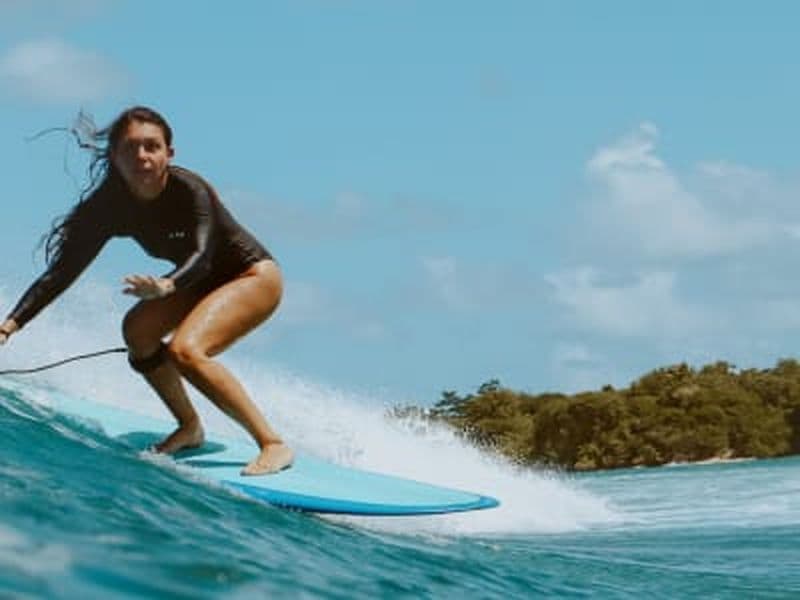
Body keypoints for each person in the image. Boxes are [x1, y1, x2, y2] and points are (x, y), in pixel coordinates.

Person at [0, 106, 294, 476]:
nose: (141, 156)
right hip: (193, 282)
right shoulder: (107, 208)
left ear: (169, 154)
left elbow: (203, 256)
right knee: (138, 331)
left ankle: (273, 444)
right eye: (130, 149)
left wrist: (166, 285)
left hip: (251, 276)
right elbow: (61, 274)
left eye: (151, 146)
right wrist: (8, 326)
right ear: (114, 156)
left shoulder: (190, 190)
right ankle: (189, 427)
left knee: (187, 350)